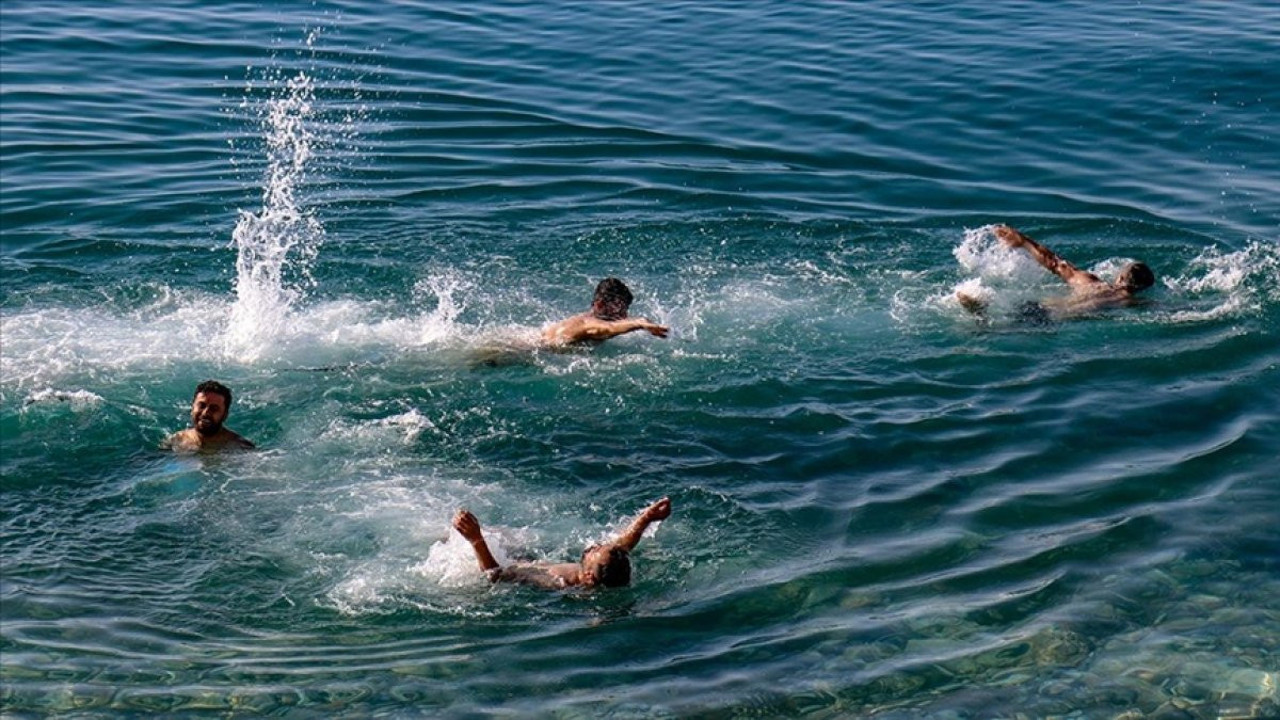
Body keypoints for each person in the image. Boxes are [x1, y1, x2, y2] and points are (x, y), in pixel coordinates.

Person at [452, 497, 672, 589]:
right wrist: (646, 519)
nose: (594, 546)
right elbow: (623, 547)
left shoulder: (557, 582)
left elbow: (494, 576)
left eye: (594, 551)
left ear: (588, 577)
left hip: (500, 570)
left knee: (449, 541)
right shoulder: (610, 569)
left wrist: (475, 539)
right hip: (528, 559)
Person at [958, 225, 1155, 324]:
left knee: (1008, 317)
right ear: (1145, 288)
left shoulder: (1089, 281)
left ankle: (980, 310)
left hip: (1038, 306)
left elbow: (1054, 263)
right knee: (993, 330)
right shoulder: (1130, 302)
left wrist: (1023, 241)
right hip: (1051, 318)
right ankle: (980, 316)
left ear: (1119, 278)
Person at [540, 277, 669, 347]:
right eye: (620, 310)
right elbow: (607, 328)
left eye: (626, 310)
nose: (624, 316)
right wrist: (640, 323)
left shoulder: (589, 317)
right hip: (525, 351)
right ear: (600, 305)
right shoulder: (588, 323)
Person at [162, 380, 255, 452]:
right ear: (192, 408)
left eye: (214, 408)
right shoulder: (176, 441)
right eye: (201, 405)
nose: (205, 412)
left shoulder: (240, 447)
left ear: (225, 415)